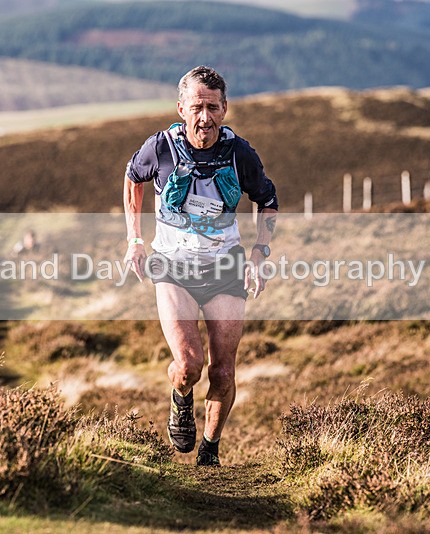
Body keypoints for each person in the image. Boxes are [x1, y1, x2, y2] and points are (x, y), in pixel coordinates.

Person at [123, 66, 278, 466]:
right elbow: (132, 178)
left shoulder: (240, 152)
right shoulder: (159, 147)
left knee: (223, 371)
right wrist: (135, 241)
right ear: (181, 109)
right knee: (189, 364)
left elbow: (268, 199)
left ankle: (209, 451)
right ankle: (180, 398)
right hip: (173, 269)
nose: (204, 117)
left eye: (212, 107)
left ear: (224, 109)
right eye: (196, 107)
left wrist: (260, 252)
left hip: (225, 269)